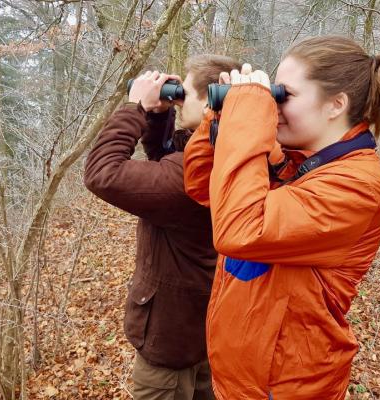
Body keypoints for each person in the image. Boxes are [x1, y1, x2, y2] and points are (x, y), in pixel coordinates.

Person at [183, 36, 380, 399]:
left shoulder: (359, 185)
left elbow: (241, 230)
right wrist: (223, 114)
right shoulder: (297, 162)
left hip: (288, 386)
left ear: (336, 105)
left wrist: (249, 116)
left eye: (283, 95)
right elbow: (200, 186)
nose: (273, 106)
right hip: (244, 377)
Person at [84, 54, 241, 400]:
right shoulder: (233, 151)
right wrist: (158, 118)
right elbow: (168, 160)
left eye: (183, 94)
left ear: (210, 103)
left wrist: (134, 107)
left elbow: (102, 174)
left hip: (169, 347)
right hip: (203, 331)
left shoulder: (187, 177)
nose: (176, 99)